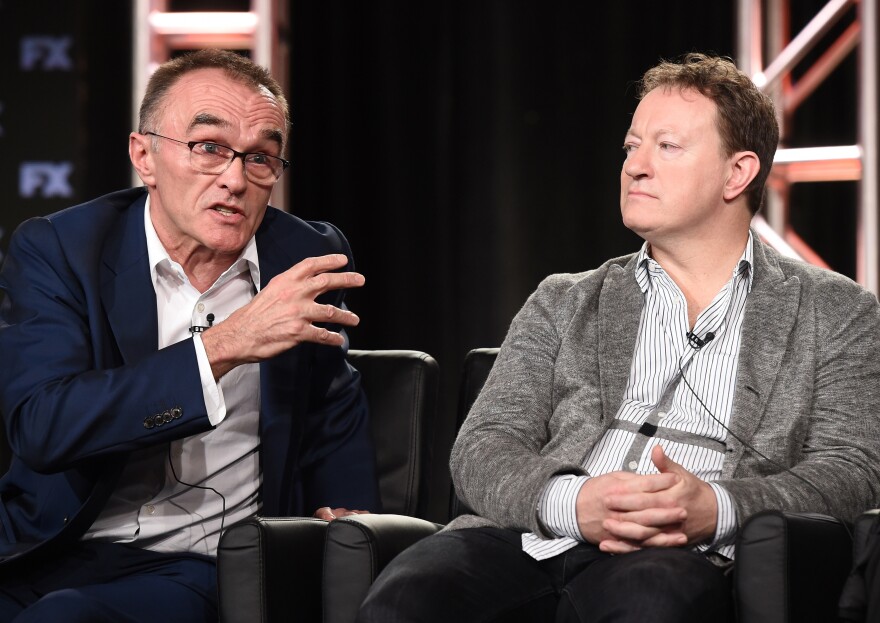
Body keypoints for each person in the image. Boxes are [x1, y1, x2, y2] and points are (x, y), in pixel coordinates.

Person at [357, 52, 880, 622]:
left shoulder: (837, 311)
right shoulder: (566, 298)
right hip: (530, 536)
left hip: (679, 553)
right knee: (407, 596)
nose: (635, 166)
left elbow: (851, 471)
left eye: (668, 146)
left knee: (648, 602)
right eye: (632, 147)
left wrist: (718, 508)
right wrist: (575, 503)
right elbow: (483, 445)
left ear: (738, 172)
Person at [0, 49, 380, 622]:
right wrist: (225, 344)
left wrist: (356, 528)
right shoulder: (62, 251)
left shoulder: (302, 257)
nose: (234, 178)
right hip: (46, 546)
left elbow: (329, 405)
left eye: (261, 158)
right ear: (144, 156)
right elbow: (43, 428)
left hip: (197, 560)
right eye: (209, 148)